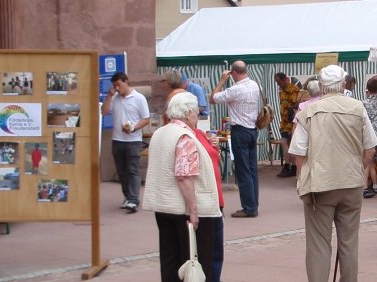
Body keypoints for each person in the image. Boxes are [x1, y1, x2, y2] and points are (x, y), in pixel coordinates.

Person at [289, 65, 377, 282]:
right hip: (350, 182)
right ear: (344, 83)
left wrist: (302, 178)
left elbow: (298, 153)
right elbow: (371, 147)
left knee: (319, 243)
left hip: (321, 184)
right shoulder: (358, 108)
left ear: (321, 85)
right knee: (349, 243)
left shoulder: (308, 112)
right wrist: (360, 169)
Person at [143, 92, 223, 282]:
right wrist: (193, 211)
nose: (197, 116)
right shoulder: (184, 136)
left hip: (164, 206)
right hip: (185, 209)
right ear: (188, 113)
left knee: (170, 259)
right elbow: (184, 176)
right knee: (196, 262)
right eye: (196, 112)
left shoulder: (160, 132)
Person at [211, 60, 262, 218]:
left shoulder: (235, 89)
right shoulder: (255, 85)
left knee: (243, 171)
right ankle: (253, 204)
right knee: (252, 169)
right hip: (252, 129)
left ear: (234, 72)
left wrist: (221, 81)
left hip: (240, 131)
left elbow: (213, 98)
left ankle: (248, 207)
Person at [101, 72, 151, 213]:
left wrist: (134, 127)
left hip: (133, 140)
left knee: (132, 169)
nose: (117, 88)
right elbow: (104, 112)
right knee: (122, 171)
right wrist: (109, 96)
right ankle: (128, 197)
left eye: (119, 85)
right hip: (117, 139)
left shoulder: (139, 98)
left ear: (126, 81)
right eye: (115, 85)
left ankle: (134, 200)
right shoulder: (115, 98)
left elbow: (146, 118)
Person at [275, 72, 301, 178]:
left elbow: (295, 105)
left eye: (279, 82)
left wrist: (293, 122)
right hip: (284, 122)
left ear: (285, 79)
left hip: (291, 121)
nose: (278, 84)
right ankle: (291, 167)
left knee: (285, 142)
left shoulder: (293, 89)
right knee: (287, 144)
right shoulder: (283, 91)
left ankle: (290, 166)